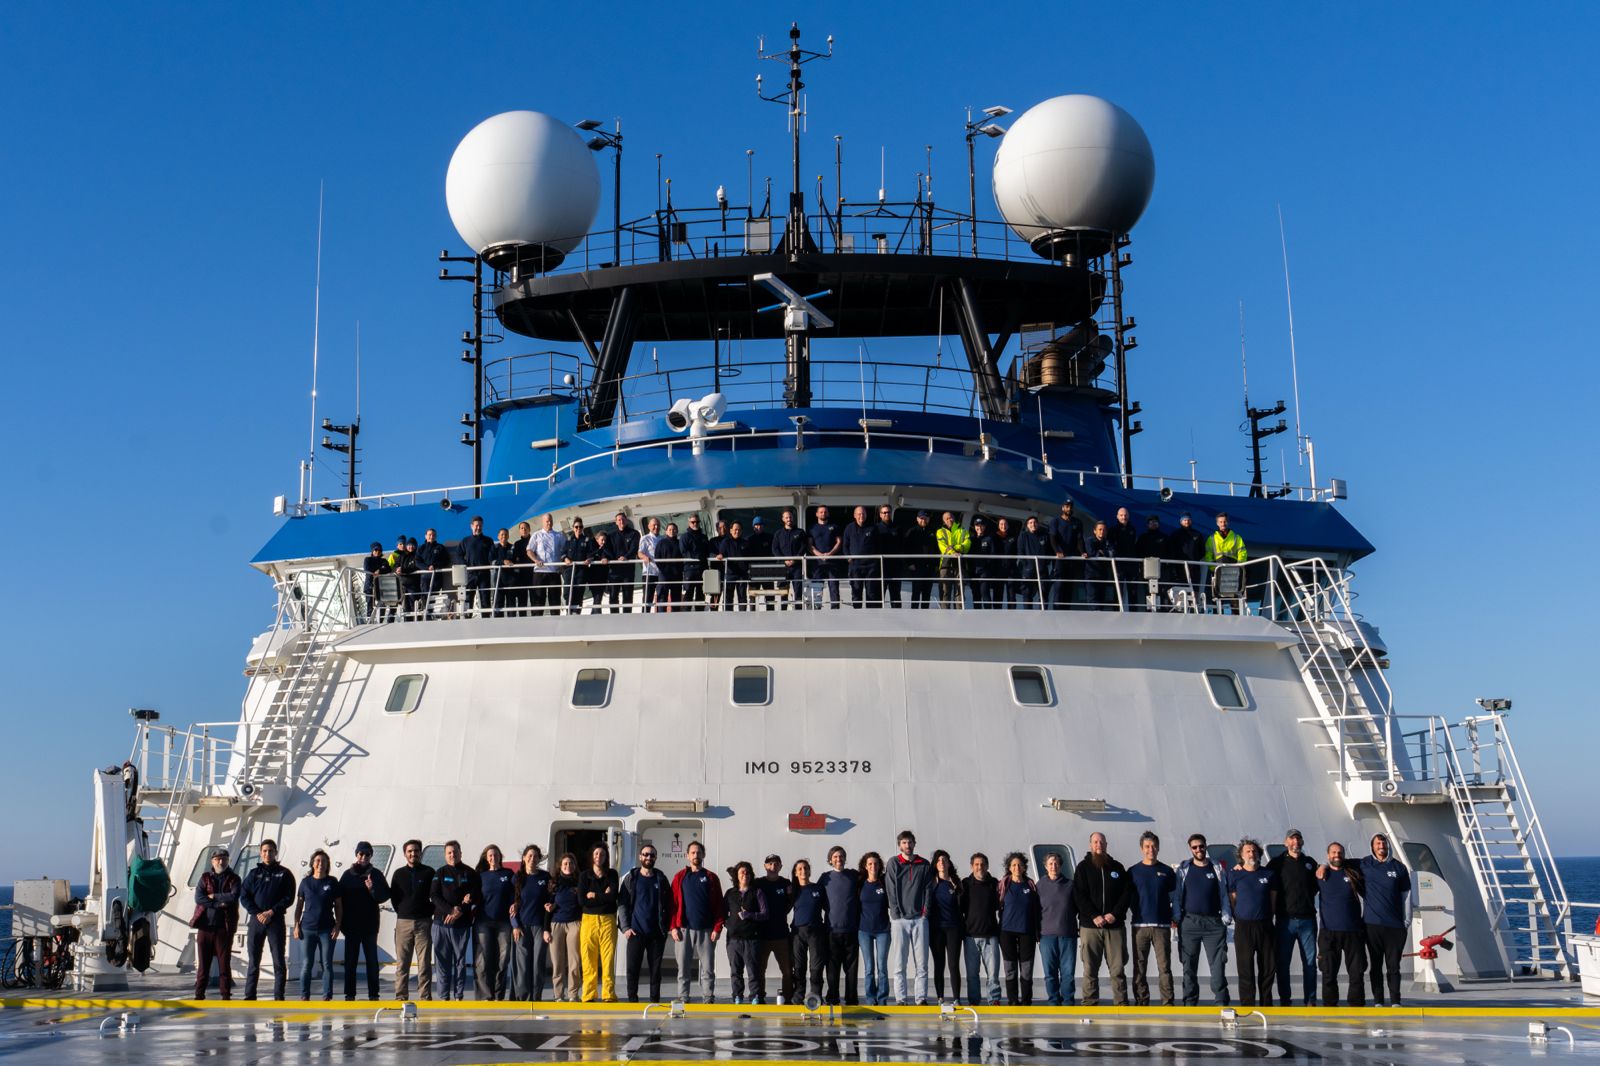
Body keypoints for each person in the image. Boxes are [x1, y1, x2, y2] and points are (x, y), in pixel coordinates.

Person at [1072, 831, 1131, 1006]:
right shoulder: (1083, 868)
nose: (1099, 845)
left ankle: (1121, 1002)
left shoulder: (1117, 867)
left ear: (1106, 844)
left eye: (1102, 842)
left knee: (1117, 968)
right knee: (1090, 968)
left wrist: (1115, 914)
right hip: (1090, 927)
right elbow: (1079, 895)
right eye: (1095, 842)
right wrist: (1094, 915)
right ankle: (1090, 1002)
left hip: (1115, 927)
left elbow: (1126, 894)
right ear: (1091, 845)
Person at [1173, 833, 1232, 1006]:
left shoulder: (1217, 868)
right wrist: (1177, 917)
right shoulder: (1184, 869)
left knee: (1218, 966)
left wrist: (1226, 916)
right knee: (1188, 966)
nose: (1198, 849)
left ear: (1206, 846)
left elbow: (1224, 894)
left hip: (1214, 924)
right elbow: (1177, 896)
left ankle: (1221, 1001)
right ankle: (1190, 1002)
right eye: (1195, 847)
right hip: (1190, 923)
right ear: (1191, 849)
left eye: (1201, 846)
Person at [1268, 830, 1320, 1006]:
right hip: (1285, 921)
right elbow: (1260, 878)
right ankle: (1285, 1000)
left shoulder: (1310, 863)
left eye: (1298, 838)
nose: (1295, 842)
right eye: (1292, 838)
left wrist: (1325, 866)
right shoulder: (1276, 864)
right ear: (1285, 843)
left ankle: (1310, 1000)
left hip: (1308, 921)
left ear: (1302, 841)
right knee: (1282, 964)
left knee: (1310, 963)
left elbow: (1317, 886)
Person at [1359, 833, 1412, 1006]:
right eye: (1377, 842)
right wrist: (1322, 867)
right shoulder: (1364, 864)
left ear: (1387, 845)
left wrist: (1406, 922)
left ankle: (1395, 1001)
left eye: (1383, 842)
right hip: (1371, 925)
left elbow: (1406, 896)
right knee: (1375, 966)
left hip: (1395, 927)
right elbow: (1339, 863)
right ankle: (1378, 1001)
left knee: (1393, 966)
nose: (1381, 845)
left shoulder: (1399, 868)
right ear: (1372, 846)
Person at [240, 838, 295, 1001]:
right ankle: (250, 996)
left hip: (275, 921)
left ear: (275, 852)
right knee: (253, 961)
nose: (267, 853)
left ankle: (279, 996)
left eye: (271, 851)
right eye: (264, 851)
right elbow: (244, 896)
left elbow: (289, 897)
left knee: (278, 960)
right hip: (256, 921)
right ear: (260, 852)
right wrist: (257, 913)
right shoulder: (254, 874)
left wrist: (271, 912)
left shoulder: (284, 873)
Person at [670, 841, 724, 1002]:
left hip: (706, 930)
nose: (696, 855)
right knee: (683, 969)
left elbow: (719, 905)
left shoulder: (711, 877)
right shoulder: (680, 877)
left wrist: (717, 928)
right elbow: (672, 904)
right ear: (687, 856)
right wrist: (673, 927)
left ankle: (708, 997)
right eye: (693, 852)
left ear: (703, 855)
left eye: (699, 852)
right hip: (683, 930)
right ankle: (683, 997)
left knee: (707, 969)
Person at [618, 841, 673, 1002]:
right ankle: (632, 999)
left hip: (656, 934)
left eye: (652, 855)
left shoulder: (661, 879)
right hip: (635, 932)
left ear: (655, 857)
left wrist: (667, 927)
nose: (648, 857)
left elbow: (669, 904)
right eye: (645, 854)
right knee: (632, 969)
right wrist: (626, 928)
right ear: (640, 857)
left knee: (655, 971)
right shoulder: (631, 878)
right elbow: (622, 904)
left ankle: (654, 1000)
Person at [1227, 838, 1279, 1007]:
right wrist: (1241, 918)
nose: (1252, 853)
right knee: (1245, 969)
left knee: (1267, 968)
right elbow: (1233, 900)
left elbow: (1272, 900)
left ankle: (1266, 1004)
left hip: (1265, 925)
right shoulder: (1234, 874)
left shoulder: (1268, 874)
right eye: (1248, 851)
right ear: (1241, 855)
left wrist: (1266, 917)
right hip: (1244, 927)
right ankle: (1247, 1005)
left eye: (1254, 850)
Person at [1315, 842, 1366, 1007]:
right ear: (1328, 855)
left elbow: (1361, 862)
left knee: (1356, 972)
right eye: (1333, 852)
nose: (1337, 855)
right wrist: (1322, 866)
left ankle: (1356, 1004)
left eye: (1340, 853)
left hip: (1353, 931)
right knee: (1328, 973)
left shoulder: (1352, 872)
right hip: (1329, 932)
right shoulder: (1321, 875)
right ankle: (1330, 1005)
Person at [1127, 831, 1176, 1007]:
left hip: (1162, 925)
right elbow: (1128, 897)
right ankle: (1141, 1000)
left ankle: (1168, 1001)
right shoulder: (1133, 872)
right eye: (1147, 846)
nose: (1151, 849)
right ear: (1142, 849)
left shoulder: (1167, 872)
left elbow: (1174, 897)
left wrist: (1174, 916)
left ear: (1158, 848)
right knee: (1139, 966)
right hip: (1139, 925)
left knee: (1164, 967)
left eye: (1154, 846)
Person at [338, 841, 391, 1001]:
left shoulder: (376, 874)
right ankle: (349, 994)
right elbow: (338, 900)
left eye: (367, 854)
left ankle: (373, 994)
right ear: (356, 854)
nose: (364, 857)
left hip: (369, 927)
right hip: (351, 927)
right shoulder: (347, 875)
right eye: (361, 854)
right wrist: (340, 924)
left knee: (372, 962)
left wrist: (371, 888)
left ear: (371, 856)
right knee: (350, 963)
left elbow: (384, 896)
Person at [885, 829, 932, 1005]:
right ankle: (901, 999)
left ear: (914, 843)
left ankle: (921, 998)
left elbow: (928, 889)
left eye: (910, 842)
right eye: (904, 842)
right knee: (899, 963)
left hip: (920, 919)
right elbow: (890, 889)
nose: (907, 845)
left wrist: (925, 912)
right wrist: (896, 913)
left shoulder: (924, 864)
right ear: (900, 845)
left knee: (922, 964)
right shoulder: (893, 863)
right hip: (900, 920)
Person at [430, 840, 478, 1000]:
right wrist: (450, 910)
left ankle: (458, 995)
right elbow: (434, 896)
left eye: (455, 852)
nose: (453, 855)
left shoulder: (470, 874)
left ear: (460, 853)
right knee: (442, 962)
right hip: (440, 924)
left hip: (461, 925)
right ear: (445, 855)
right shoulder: (440, 873)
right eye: (449, 852)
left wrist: (460, 910)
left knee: (460, 962)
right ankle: (444, 996)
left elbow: (475, 896)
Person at [293, 848, 342, 1001]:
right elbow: (299, 906)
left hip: (327, 930)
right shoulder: (305, 882)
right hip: (307, 929)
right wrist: (296, 925)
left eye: (324, 861)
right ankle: (304, 995)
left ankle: (327, 995)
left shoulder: (332, 882)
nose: (321, 863)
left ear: (327, 864)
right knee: (307, 963)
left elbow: (339, 906)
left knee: (327, 964)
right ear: (313, 863)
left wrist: (338, 925)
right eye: (318, 860)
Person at [192, 847, 241, 999]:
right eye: (218, 859)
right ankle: (199, 995)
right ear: (212, 862)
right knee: (203, 965)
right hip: (205, 927)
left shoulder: (235, 878)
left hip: (224, 928)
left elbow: (233, 897)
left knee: (224, 964)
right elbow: (199, 898)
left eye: (224, 859)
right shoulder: (205, 877)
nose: (221, 861)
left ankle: (225, 995)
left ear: (228, 861)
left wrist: (214, 896)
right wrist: (217, 904)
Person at [390, 839, 434, 1000]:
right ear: (405, 854)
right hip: (403, 923)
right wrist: (403, 911)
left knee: (424, 963)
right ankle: (401, 996)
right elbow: (394, 897)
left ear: (420, 853)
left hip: (424, 922)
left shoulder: (429, 872)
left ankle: (425, 996)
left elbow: (434, 896)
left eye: (416, 851)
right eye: (410, 851)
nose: (413, 854)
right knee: (402, 963)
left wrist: (428, 912)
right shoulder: (398, 874)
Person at [997, 852, 1040, 1005]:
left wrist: (1038, 932)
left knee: (1026, 968)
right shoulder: (1003, 885)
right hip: (1006, 931)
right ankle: (1013, 1000)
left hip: (1027, 932)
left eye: (1019, 865)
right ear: (1009, 867)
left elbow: (1037, 909)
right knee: (1010, 968)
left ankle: (1026, 1000)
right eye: (1013, 865)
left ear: (1024, 868)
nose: (1016, 867)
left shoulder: (1030, 885)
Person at [579, 843, 620, 1002]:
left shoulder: (612, 875)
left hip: (608, 920)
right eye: (596, 854)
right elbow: (581, 900)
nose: (599, 857)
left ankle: (608, 994)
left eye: (602, 854)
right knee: (588, 959)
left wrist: (593, 895)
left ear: (606, 857)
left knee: (608, 959)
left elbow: (613, 897)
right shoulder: (584, 876)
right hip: (588, 920)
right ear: (592, 856)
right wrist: (603, 895)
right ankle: (589, 994)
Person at [819, 845, 860, 1005]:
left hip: (851, 930)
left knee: (851, 969)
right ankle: (833, 998)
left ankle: (851, 999)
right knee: (832, 968)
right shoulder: (825, 878)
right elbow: (818, 898)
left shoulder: (853, 876)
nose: (839, 859)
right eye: (835, 856)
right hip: (831, 931)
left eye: (841, 856)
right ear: (830, 860)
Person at [724, 861, 770, 1004]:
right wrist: (729, 924)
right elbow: (722, 912)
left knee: (753, 971)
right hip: (733, 940)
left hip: (752, 939)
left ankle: (755, 996)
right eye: (742, 872)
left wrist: (750, 915)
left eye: (748, 872)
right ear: (736, 876)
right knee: (735, 971)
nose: (745, 875)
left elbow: (765, 914)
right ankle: (737, 996)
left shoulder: (757, 892)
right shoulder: (730, 893)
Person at [511, 845, 553, 1001]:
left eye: (535, 856)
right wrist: (515, 925)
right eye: (529, 856)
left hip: (540, 927)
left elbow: (551, 900)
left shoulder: (545, 877)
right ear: (524, 858)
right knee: (522, 965)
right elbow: (512, 905)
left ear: (539, 859)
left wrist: (547, 926)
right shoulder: (517, 878)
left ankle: (536, 997)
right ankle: (523, 997)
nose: (532, 859)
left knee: (537, 964)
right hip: (522, 927)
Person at [960, 852, 1002, 1006]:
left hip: (990, 935)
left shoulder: (994, 884)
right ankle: (974, 1001)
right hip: (970, 936)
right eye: (977, 864)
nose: (980, 867)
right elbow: (960, 908)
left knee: (993, 973)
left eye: (983, 864)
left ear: (987, 866)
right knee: (972, 974)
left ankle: (994, 999)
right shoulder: (965, 884)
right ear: (972, 867)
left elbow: (1000, 907)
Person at [1037, 849, 1078, 1007]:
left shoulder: (1070, 885)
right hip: (1046, 936)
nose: (1053, 866)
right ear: (1046, 867)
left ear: (1060, 866)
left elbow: (1077, 907)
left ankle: (1068, 1001)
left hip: (1067, 935)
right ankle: (1053, 1000)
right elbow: (1035, 911)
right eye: (1050, 864)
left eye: (1056, 863)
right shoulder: (1040, 885)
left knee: (1068, 973)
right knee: (1050, 973)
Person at [475, 844, 516, 1000]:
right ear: (487, 858)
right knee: (484, 960)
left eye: (496, 855)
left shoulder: (508, 874)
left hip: (503, 923)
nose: (493, 858)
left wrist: (515, 903)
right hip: (483, 922)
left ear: (500, 856)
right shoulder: (481, 876)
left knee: (503, 960)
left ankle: (499, 995)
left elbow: (515, 893)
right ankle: (486, 996)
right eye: (490, 855)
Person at [756, 854, 795, 1003]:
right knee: (760, 970)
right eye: (770, 864)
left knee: (787, 970)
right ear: (765, 866)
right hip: (762, 934)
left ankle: (788, 999)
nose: (773, 867)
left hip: (781, 934)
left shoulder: (786, 883)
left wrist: (782, 912)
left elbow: (791, 902)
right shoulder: (758, 883)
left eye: (776, 864)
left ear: (780, 866)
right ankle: (759, 997)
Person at [789, 859, 828, 1003]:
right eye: (799, 869)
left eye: (805, 868)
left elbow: (829, 908)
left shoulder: (818, 889)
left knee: (816, 966)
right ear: (795, 873)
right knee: (799, 966)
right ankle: (798, 995)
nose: (803, 871)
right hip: (798, 932)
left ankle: (815, 995)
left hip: (816, 931)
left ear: (809, 871)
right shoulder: (792, 890)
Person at [928, 850, 964, 1003]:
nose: (941, 862)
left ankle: (956, 998)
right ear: (935, 864)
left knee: (953, 964)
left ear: (949, 863)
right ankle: (940, 997)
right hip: (936, 929)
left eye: (944, 860)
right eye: (938, 860)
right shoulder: (931, 883)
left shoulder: (956, 883)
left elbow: (963, 906)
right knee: (939, 964)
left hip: (953, 928)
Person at [857, 852, 892, 1005]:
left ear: (880, 866)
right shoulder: (860, 884)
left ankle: (882, 997)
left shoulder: (884, 883)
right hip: (864, 930)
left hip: (883, 930)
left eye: (876, 864)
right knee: (869, 967)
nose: (873, 866)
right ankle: (871, 998)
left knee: (882, 967)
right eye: (870, 864)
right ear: (865, 866)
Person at [549, 853, 584, 1001]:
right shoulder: (554, 883)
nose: (568, 866)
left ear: (575, 866)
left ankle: (573, 994)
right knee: (557, 962)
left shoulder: (580, 882)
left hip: (574, 923)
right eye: (565, 864)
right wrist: (546, 929)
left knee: (574, 961)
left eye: (570, 863)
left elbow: (583, 903)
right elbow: (548, 908)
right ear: (560, 866)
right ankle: (558, 995)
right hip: (556, 924)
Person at [841, 506, 882, 609]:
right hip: (855, 566)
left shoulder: (873, 528)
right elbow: (845, 545)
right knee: (856, 592)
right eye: (859, 514)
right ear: (855, 515)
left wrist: (875, 559)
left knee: (871, 593)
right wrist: (848, 557)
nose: (861, 516)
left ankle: (870, 618)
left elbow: (878, 545)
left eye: (863, 513)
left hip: (871, 566)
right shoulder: (849, 528)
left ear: (866, 515)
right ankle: (857, 616)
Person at [1048, 499, 1086, 609]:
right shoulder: (1055, 521)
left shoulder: (1077, 522)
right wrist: (1057, 551)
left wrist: (1082, 552)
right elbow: (1053, 538)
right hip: (1060, 560)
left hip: (1072, 560)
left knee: (1069, 588)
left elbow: (1079, 540)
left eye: (1070, 507)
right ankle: (1056, 613)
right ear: (1062, 508)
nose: (1069, 509)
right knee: (1059, 587)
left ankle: (1066, 613)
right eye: (1067, 506)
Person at [1164, 512, 1206, 608]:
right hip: (1179, 568)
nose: (1186, 521)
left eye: (1188, 519)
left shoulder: (1197, 535)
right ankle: (1180, 608)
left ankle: (1194, 606)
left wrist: (1194, 559)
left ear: (1191, 521)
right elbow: (1170, 550)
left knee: (1194, 589)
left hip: (1194, 567)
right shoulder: (1175, 535)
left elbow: (1202, 551)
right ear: (1181, 521)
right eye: (1184, 520)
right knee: (1180, 589)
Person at [771, 508, 810, 607]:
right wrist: (784, 560)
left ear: (793, 518)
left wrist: (795, 559)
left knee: (798, 591)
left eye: (790, 517)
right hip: (782, 566)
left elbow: (804, 547)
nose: (789, 519)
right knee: (783, 593)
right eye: (787, 517)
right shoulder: (778, 534)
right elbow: (775, 549)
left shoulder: (800, 532)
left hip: (796, 566)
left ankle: (798, 612)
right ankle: (783, 614)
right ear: (783, 519)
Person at [458, 515, 496, 615]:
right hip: (470, 574)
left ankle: (486, 620)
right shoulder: (465, 541)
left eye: (480, 525)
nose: (478, 527)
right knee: (468, 597)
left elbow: (492, 555)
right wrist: (465, 565)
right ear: (471, 526)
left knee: (485, 598)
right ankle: (467, 618)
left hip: (484, 573)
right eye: (476, 525)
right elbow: (459, 554)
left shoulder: (488, 540)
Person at [528, 514, 564, 615]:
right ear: (543, 522)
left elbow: (565, 550)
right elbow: (529, 550)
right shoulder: (536, 535)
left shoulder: (559, 535)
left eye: (550, 520)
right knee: (539, 599)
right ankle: (538, 622)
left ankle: (556, 621)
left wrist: (562, 565)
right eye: (547, 521)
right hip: (540, 572)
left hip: (554, 571)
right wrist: (535, 560)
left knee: (555, 599)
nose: (549, 523)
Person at [808, 506, 844, 608]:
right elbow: (810, 545)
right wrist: (819, 555)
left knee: (834, 588)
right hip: (817, 563)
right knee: (817, 589)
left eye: (825, 512)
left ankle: (835, 610)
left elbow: (839, 542)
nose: (823, 514)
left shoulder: (834, 527)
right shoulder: (812, 528)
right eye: (821, 512)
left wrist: (829, 554)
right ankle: (816, 610)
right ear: (817, 514)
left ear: (828, 513)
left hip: (832, 562)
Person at [1014, 516, 1053, 608]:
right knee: (1027, 594)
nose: (1033, 524)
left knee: (1044, 594)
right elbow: (1020, 552)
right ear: (1027, 525)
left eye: (1035, 522)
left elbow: (1049, 551)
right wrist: (1027, 565)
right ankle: (1028, 614)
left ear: (1038, 524)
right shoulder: (1023, 536)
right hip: (1028, 571)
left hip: (1042, 570)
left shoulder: (1044, 536)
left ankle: (1043, 614)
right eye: (1030, 523)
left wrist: (1045, 562)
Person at [904, 510, 939, 608]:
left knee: (927, 593)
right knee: (916, 592)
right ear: (917, 519)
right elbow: (906, 548)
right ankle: (914, 613)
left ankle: (925, 614)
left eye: (926, 518)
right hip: (917, 567)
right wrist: (909, 563)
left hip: (930, 567)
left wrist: (936, 564)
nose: (924, 520)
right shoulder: (912, 531)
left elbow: (937, 549)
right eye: (922, 518)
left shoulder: (933, 532)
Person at [936, 511, 971, 608]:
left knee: (959, 591)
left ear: (954, 518)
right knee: (945, 590)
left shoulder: (963, 531)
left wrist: (956, 547)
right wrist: (953, 553)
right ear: (943, 520)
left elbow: (967, 545)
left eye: (950, 517)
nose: (949, 520)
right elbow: (943, 547)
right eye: (946, 518)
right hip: (945, 564)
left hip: (960, 563)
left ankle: (959, 613)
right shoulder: (940, 532)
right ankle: (945, 614)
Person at [415, 528, 451, 620]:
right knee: (425, 597)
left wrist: (435, 566)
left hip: (436, 577)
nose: (431, 536)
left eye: (433, 535)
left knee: (434, 597)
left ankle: (434, 616)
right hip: (425, 578)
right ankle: (426, 616)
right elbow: (417, 562)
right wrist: (427, 568)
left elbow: (446, 560)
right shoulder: (421, 548)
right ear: (426, 536)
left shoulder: (440, 548)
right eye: (430, 535)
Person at [562, 517, 596, 614]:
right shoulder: (568, 540)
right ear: (573, 528)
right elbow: (563, 552)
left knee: (579, 592)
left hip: (581, 570)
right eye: (576, 527)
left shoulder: (587, 540)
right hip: (569, 570)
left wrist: (589, 558)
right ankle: (569, 611)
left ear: (582, 528)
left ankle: (577, 613)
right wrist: (565, 558)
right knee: (567, 593)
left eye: (580, 527)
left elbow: (591, 552)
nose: (578, 529)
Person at [1133, 514, 1166, 610]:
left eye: (1155, 522)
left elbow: (1169, 552)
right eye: (1151, 522)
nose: (1153, 524)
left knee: (1161, 592)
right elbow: (1138, 552)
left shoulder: (1164, 537)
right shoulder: (1142, 538)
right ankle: (1149, 610)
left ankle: (1160, 611)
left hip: (1161, 570)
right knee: (1147, 592)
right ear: (1147, 524)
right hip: (1146, 571)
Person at [716, 520, 751, 611]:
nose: (737, 531)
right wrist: (721, 555)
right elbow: (722, 553)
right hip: (730, 574)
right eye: (735, 529)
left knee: (742, 597)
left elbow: (749, 557)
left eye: (739, 530)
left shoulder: (745, 543)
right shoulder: (726, 542)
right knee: (728, 598)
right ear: (731, 530)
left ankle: (743, 617)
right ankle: (728, 618)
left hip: (742, 575)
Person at [1110, 506, 1140, 610]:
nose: (1124, 517)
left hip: (1132, 564)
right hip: (1119, 564)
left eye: (1126, 515)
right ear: (1117, 517)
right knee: (1118, 590)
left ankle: (1134, 614)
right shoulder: (1113, 529)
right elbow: (1110, 545)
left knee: (1133, 591)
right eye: (1122, 515)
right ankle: (1117, 613)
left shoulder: (1132, 529)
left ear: (1129, 516)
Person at [610, 512, 640, 611]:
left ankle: (627, 618)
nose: (621, 521)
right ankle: (615, 618)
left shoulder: (634, 533)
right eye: (619, 520)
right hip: (615, 570)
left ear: (626, 520)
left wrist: (625, 557)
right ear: (616, 522)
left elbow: (634, 548)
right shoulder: (612, 536)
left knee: (627, 595)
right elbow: (608, 550)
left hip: (628, 570)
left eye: (623, 519)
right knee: (613, 596)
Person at [1084, 521, 1117, 609]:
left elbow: (1112, 554)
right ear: (1095, 531)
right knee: (1093, 599)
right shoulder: (1089, 540)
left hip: (1103, 575)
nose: (1102, 532)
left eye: (1104, 530)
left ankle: (1100, 619)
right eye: (1100, 529)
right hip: (1091, 575)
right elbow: (1091, 553)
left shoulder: (1108, 542)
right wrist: (1102, 553)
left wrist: (1102, 552)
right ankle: (1094, 619)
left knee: (1101, 599)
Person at [679, 514, 710, 609]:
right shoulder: (685, 537)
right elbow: (683, 551)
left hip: (702, 569)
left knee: (701, 594)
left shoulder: (704, 537)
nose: (695, 524)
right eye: (693, 522)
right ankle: (686, 618)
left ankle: (700, 617)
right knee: (688, 594)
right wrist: (698, 556)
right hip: (690, 570)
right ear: (689, 523)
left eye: (697, 522)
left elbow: (707, 551)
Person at [875, 504, 903, 608]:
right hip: (880, 567)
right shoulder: (875, 529)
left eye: (888, 512)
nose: (886, 514)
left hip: (895, 567)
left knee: (896, 595)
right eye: (884, 512)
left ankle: (897, 621)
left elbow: (902, 546)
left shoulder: (898, 528)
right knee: (879, 595)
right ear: (880, 515)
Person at [655, 522, 684, 611]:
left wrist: (680, 570)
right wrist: (664, 570)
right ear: (666, 531)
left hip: (677, 574)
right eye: (670, 529)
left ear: (677, 531)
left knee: (676, 598)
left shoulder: (680, 543)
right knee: (662, 597)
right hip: (664, 574)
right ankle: (662, 617)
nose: (672, 531)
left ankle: (676, 617)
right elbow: (657, 557)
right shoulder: (661, 543)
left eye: (674, 529)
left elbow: (683, 556)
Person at [490, 526, 519, 616]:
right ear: (498, 536)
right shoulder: (494, 548)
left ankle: (512, 622)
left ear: (508, 536)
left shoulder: (513, 548)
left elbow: (516, 560)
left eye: (506, 535)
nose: (504, 536)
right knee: (498, 601)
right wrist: (503, 562)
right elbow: (491, 561)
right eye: (502, 535)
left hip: (511, 579)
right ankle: (498, 623)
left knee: (511, 602)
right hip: (498, 579)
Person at [638, 517, 665, 609]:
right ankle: (645, 619)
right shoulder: (645, 538)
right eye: (654, 525)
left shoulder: (663, 539)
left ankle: (661, 617)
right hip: (649, 572)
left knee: (662, 597)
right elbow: (639, 553)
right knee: (647, 599)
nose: (656, 527)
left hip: (661, 572)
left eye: (658, 525)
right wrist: (645, 557)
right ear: (649, 526)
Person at [361, 541, 392, 621]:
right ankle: (369, 620)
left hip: (381, 586)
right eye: (376, 550)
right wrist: (381, 569)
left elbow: (388, 569)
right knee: (370, 605)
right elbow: (367, 569)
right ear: (372, 551)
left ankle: (380, 621)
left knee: (382, 604)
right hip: (370, 585)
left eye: (379, 550)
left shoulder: (384, 561)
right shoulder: (367, 560)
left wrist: (379, 571)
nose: (377, 552)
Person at [510, 521, 534, 616]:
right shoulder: (517, 544)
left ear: (529, 529)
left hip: (533, 574)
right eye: (522, 528)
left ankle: (536, 617)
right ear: (519, 531)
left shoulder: (534, 540)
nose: (524, 530)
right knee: (522, 600)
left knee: (535, 598)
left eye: (525, 528)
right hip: (522, 576)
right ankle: (522, 618)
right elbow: (514, 558)